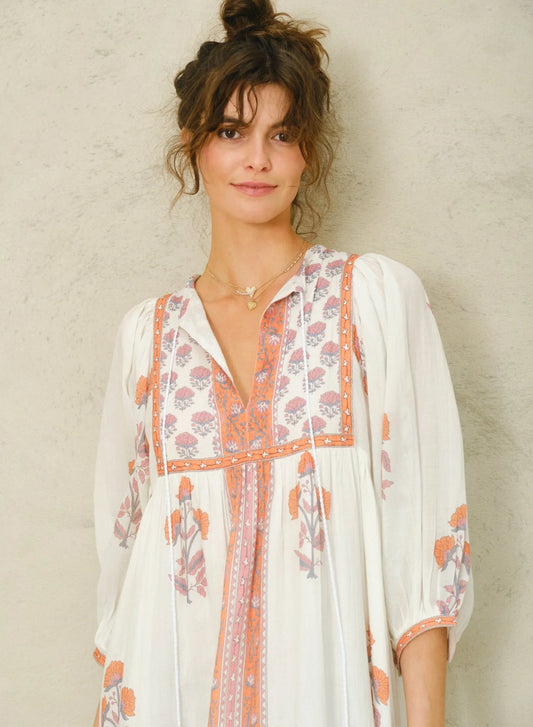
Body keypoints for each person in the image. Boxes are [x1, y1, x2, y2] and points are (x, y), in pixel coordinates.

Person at [92, 1, 473, 725]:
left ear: (308, 151)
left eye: (283, 134)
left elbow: (424, 542)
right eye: (231, 132)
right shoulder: (147, 336)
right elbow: (121, 582)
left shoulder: (371, 301)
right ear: (193, 143)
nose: (257, 159)